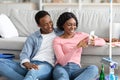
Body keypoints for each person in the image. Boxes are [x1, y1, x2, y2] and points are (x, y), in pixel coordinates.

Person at [0, 10, 62, 80]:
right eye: (45, 24)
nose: (50, 26)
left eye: (50, 22)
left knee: (33, 72)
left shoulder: (60, 33)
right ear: (39, 25)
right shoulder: (33, 37)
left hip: (46, 65)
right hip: (31, 63)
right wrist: (27, 63)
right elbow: (25, 53)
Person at [53, 12, 106, 80]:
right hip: (61, 68)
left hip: (76, 69)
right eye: (69, 25)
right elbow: (62, 61)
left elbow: (102, 41)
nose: (73, 27)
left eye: (74, 25)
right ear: (63, 25)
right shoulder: (57, 40)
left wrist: (94, 42)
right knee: (62, 78)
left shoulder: (81, 35)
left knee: (94, 69)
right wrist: (76, 47)